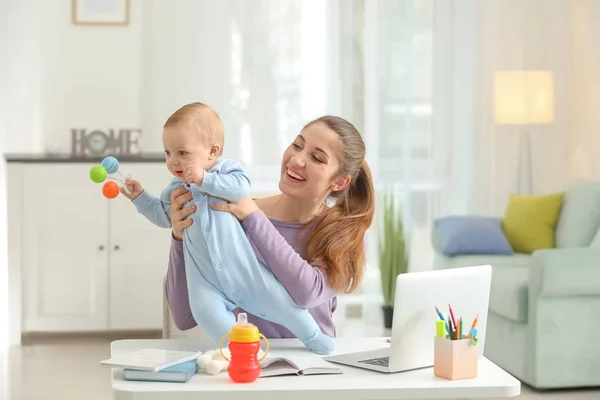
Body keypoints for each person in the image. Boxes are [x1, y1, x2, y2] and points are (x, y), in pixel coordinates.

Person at [120, 102, 335, 354]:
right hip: (205, 279)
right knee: (206, 312)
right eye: (167, 153)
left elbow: (240, 189)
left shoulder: (226, 170)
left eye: (182, 153)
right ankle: (241, 351)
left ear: (212, 151)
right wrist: (141, 198)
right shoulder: (175, 189)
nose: (173, 162)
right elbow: (162, 216)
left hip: (243, 270)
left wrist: (204, 179)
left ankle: (311, 335)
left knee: (281, 301)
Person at [164, 114, 376, 341]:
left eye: (316, 158)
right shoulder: (230, 214)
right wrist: (179, 235)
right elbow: (184, 317)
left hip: (316, 368)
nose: (297, 159)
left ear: (339, 182)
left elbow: (307, 292)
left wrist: (253, 218)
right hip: (250, 365)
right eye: (297, 145)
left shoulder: (344, 233)